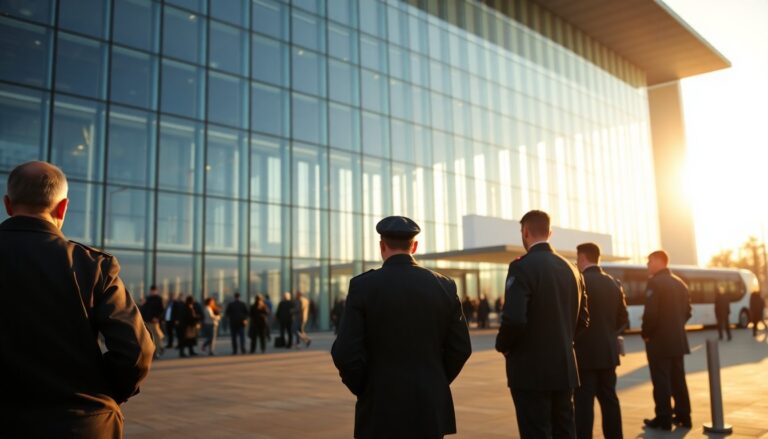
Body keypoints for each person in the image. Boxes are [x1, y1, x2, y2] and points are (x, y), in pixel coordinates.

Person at [0, 161, 153, 437]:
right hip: (79, 424)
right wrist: (104, 395)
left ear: (8, 204)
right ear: (63, 208)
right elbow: (136, 352)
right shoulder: (91, 265)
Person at [331, 215, 472, 438]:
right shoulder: (444, 286)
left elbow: (345, 352)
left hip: (380, 407)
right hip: (429, 406)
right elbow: (461, 348)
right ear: (414, 246)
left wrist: (365, 387)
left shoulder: (363, 286)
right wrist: (435, 380)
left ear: (381, 246)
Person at [495, 210, 589, 439]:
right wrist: (562, 341)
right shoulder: (573, 269)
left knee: (536, 432)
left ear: (525, 232)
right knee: (565, 431)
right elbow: (583, 320)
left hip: (530, 371)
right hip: (564, 368)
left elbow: (515, 319)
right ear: (550, 232)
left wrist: (504, 346)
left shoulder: (522, 267)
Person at [573, 242, 628, 439]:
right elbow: (623, 319)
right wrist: (608, 334)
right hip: (608, 353)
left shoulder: (579, 282)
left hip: (583, 355)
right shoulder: (614, 283)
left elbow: (573, 319)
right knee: (610, 401)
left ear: (582, 258)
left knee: (583, 406)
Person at [641, 250, 692, 430]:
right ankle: (684, 416)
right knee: (679, 379)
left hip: (659, 342)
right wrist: (675, 326)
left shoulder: (654, 283)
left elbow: (651, 314)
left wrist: (646, 333)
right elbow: (687, 312)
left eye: (649, 261)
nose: (647, 264)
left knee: (661, 380)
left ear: (658, 261)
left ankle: (663, 418)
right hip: (677, 340)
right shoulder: (680, 284)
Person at [142, 285, 166, 358]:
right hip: (147, 321)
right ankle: (155, 351)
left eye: (154, 291)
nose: (152, 292)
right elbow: (144, 309)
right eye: (152, 291)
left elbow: (162, 310)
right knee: (149, 337)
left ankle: (157, 352)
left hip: (154, 321)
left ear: (156, 291)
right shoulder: (148, 299)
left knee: (156, 337)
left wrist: (157, 318)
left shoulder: (159, 299)